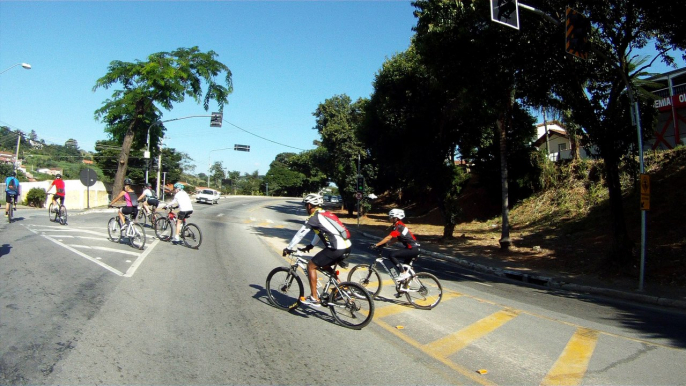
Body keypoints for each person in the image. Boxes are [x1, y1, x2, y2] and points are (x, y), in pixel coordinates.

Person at [283, 193, 352, 307]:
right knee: (324, 265)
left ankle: (314, 297)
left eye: (306, 205)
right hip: (347, 246)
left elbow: (300, 234)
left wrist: (288, 248)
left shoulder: (313, 217)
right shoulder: (325, 213)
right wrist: (310, 245)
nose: (306, 207)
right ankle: (343, 288)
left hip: (336, 248)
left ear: (310, 205)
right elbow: (320, 233)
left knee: (311, 265)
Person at [371, 208, 420, 282]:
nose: (389, 218)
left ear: (396, 218)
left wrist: (376, 245)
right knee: (404, 269)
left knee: (392, 255)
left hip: (412, 249)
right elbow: (397, 238)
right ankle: (404, 287)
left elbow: (389, 237)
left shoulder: (399, 227)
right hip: (414, 249)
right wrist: (387, 245)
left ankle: (403, 273)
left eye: (391, 216)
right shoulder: (400, 225)